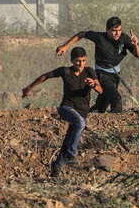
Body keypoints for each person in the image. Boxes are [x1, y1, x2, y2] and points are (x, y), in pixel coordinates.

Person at [22, 47, 102, 177]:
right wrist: (29, 87)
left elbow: (100, 90)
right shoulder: (65, 71)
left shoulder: (89, 72)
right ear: (72, 60)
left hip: (82, 111)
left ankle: (57, 166)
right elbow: (45, 76)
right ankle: (71, 156)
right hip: (66, 108)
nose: (81, 64)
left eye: (83, 60)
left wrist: (93, 84)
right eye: (77, 61)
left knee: (70, 138)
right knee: (80, 124)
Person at [55, 16, 139, 113]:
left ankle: (88, 116)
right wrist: (65, 46)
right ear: (107, 30)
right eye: (114, 30)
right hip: (102, 74)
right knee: (116, 99)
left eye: (119, 30)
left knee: (102, 105)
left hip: (116, 75)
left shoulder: (124, 38)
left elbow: (137, 55)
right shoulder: (100, 37)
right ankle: (117, 126)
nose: (117, 33)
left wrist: (136, 45)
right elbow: (82, 34)